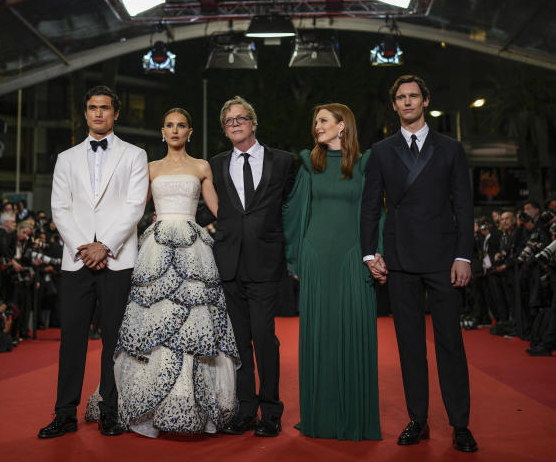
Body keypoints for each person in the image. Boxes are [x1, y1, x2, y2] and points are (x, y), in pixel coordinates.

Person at [360, 74, 477, 453]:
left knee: (450, 344)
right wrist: (368, 252)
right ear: (394, 105)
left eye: (414, 96)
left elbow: (463, 205)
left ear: (425, 100)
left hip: (444, 258)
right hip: (400, 258)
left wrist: (464, 255)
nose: (407, 102)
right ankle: (418, 419)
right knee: (410, 345)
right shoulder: (380, 150)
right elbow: (369, 206)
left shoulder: (450, 148)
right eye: (401, 97)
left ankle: (460, 424)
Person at [113, 108, 239, 437]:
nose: (175, 130)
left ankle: (194, 402)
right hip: (156, 249)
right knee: (155, 318)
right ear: (162, 131)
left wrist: (253, 228)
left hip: (194, 250)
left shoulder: (201, 166)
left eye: (181, 125)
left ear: (190, 131)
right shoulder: (150, 168)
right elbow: (134, 211)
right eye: (169, 125)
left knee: (196, 320)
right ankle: (152, 404)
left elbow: (220, 211)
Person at [38, 86, 149, 439]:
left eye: (104, 108)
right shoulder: (66, 158)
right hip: (76, 260)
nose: (98, 113)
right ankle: (64, 413)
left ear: (116, 113)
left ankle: (110, 413)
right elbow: (60, 208)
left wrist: (106, 246)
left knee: (115, 340)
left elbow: (135, 206)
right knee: (72, 338)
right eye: (91, 108)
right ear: (85, 113)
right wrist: (85, 247)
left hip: (118, 258)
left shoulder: (135, 154)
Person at [282, 103, 381, 440]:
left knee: (354, 330)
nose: (316, 126)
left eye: (323, 120)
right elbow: (295, 210)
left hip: (354, 257)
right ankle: (320, 416)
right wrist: (295, 256)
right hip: (316, 256)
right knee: (320, 334)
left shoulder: (366, 163)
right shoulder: (310, 163)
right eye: (314, 122)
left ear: (342, 126)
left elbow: (375, 212)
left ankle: (355, 415)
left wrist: (375, 253)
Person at [209, 96, 295, 437]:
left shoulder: (284, 162)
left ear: (254, 123)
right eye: (229, 120)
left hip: (265, 262)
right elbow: (208, 208)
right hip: (228, 263)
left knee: (263, 337)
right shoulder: (215, 164)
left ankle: (271, 410)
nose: (235, 123)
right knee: (239, 343)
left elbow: (291, 207)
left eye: (241, 118)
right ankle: (245, 410)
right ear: (224, 128)